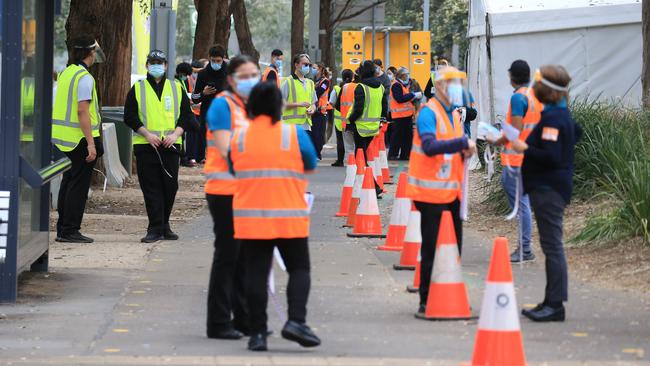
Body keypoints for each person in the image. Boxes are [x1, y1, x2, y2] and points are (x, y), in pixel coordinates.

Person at [229, 82, 320, 351]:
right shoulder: (293, 134)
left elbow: (234, 168)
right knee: (299, 269)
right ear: (279, 105)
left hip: (251, 218)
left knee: (256, 274)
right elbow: (311, 163)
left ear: (251, 106)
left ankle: (258, 334)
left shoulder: (240, 137)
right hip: (289, 216)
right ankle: (296, 321)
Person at [512, 65, 581, 322]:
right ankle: (550, 300)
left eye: (538, 84)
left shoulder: (554, 118)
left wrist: (523, 147)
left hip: (549, 189)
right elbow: (576, 132)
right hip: (548, 188)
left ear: (548, 91)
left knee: (553, 246)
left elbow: (551, 156)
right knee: (550, 245)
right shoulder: (558, 115)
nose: (533, 88)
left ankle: (555, 304)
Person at [406, 66, 476, 316]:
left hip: (451, 192)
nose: (458, 88)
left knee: (454, 246)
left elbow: (451, 148)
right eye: (453, 83)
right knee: (432, 247)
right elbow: (430, 146)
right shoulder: (429, 113)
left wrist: (465, 150)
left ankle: (450, 293)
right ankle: (426, 299)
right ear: (440, 86)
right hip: (430, 194)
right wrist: (461, 143)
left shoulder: (453, 114)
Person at [204, 55, 259, 340]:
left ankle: (243, 319)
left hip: (244, 191)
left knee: (241, 257)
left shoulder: (247, 107)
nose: (251, 80)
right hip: (225, 191)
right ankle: (218, 322)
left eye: (255, 74)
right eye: (245, 75)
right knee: (227, 256)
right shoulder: (223, 106)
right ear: (231, 79)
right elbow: (227, 149)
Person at [123, 50, 193, 243]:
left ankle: (165, 225)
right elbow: (129, 116)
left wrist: (176, 134)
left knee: (170, 187)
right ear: (147, 65)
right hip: (146, 145)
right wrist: (146, 134)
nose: (156, 66)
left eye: (159, 62)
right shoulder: (138, 88)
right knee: (151, 188)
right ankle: (154, 228)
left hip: (171, 145)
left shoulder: (176, 87)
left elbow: (187, 115)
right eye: (153, 62)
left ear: (166, 65)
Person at [487, 60, 542, 263]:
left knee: (521, 205)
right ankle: (525, 247)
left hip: (516, 160)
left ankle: (525, 248)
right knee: (524, 204)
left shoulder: (518, 98)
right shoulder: (534, 96)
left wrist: (496, 138)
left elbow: (515, 131)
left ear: (512, 76)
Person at [52, 35, 105, 243]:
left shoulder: (66, 73)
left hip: (63, 139)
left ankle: (63, 228)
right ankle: (70, 230)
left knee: (68, 182)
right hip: (79, 140)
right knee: (78, 186)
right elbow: (82, 111)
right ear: (90, 53)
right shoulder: (85, 78)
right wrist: (91, 143)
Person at [346, 60, 387, 195]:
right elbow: (384, 106)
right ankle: (372, 186)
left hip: (361, 127)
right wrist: (381, 120)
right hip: (373, 128)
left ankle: (373, 186)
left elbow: (358, 109)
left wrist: (350, 120)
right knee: (362, 156)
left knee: (361, 158)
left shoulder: (361, 87)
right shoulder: (380, 87)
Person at [190, 45, 228, 165]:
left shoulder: (230, 73)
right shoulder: (203, 74)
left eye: (218, 61)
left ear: (223, 59)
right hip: (208, 115)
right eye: (213, 61)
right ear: (209, 58)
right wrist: (203, 93)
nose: (216, 63)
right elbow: (194, 98)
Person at [388, 67, 421, 160]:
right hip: (399, 116)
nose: (408, 76)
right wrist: (413, 95)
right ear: (401, 75)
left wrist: (413, 96)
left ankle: (405, 155)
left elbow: (405, 98)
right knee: (397, 137)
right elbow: (400, 99)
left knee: (407, 137)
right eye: (406, 74)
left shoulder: (403, 85)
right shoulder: (396, 85)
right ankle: (393, 155)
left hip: (406, 115)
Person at [281, 54, 317, 133]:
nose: (307, 67)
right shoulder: (288, 82)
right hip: (291, 126)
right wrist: (299, 104)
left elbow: (313, 103)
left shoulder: (310, 83)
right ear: (296, 65)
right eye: (305, 64)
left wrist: (312, 109)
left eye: (309, 65)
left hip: (306, 125)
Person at [175, 62, 199, 168]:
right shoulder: (177, 82)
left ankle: (185, 157)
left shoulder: (182, 82)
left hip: (186, 111)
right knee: (187, 134)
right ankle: (184, 157)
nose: (186, 76)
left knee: (184, 135)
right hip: (183, 113)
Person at [328, 69, 352, 166]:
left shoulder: (337, 88)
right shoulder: (355, 87)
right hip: (352, 117)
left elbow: (331, 102)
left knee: (340, 140)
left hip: (339, 118)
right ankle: (355, 160)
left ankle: (340, 160)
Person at [335, 69, 358, 159]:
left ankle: (352, 166)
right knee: (360, 146)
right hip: (361, 122)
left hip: (346, 121)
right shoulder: (364, 87)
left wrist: (345, 112)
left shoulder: (345, 87)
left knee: (350, 148)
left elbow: (337, 105)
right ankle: (360, 164)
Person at [311, 63, 331, 160]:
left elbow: (318, 93)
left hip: (321, 112)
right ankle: (314, 153)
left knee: (319, 134)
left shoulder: (325, 82)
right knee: (314, 133)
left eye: (314, 68)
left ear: (320, 69)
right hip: (314, 111)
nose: (312, 69)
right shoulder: (316, 81)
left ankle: (317, 154)